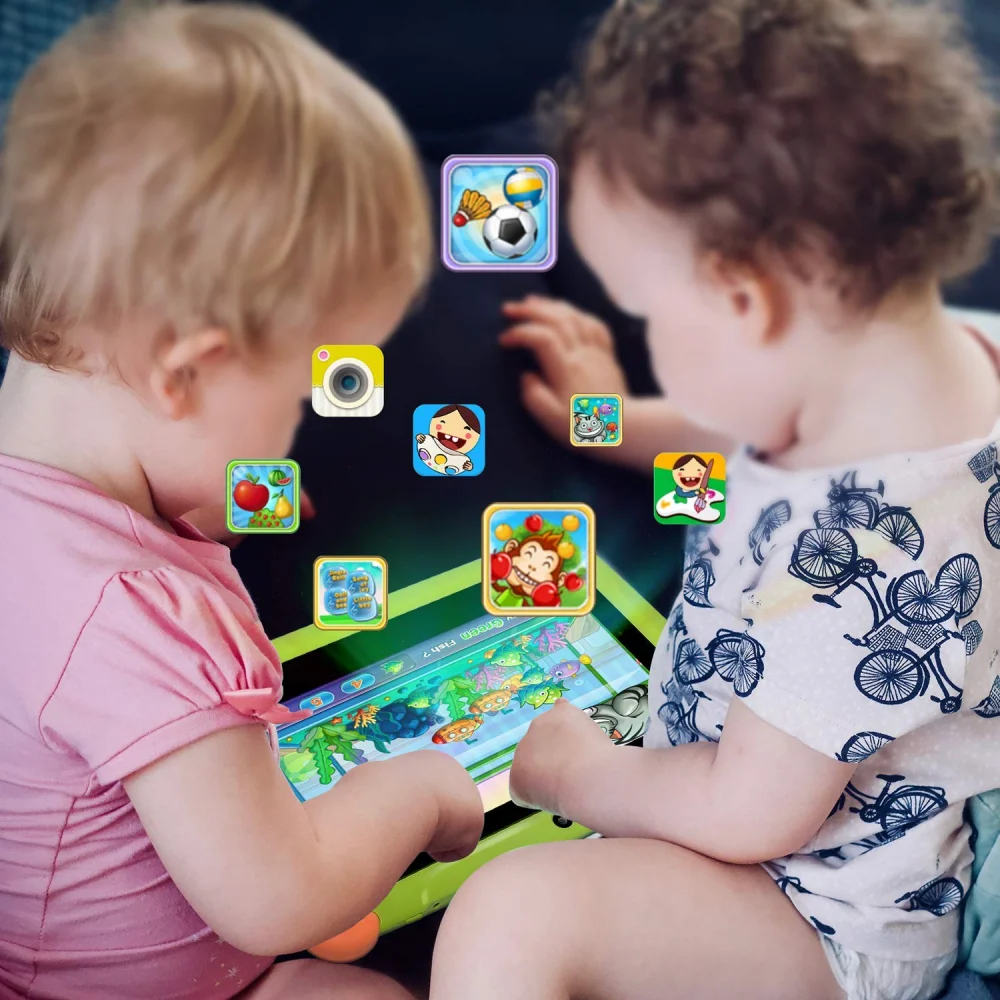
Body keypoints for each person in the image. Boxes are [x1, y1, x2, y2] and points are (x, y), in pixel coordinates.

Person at [429, 2, 1000, 1000]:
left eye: (647, 312)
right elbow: (751, 429)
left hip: (818, 908)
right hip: (767, 834)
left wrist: (574, 772)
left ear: (747, 303)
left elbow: (748, 812)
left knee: (512, 915)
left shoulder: (863, 561)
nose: (646, 335)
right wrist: (606, 421)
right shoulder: (915, 357)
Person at [0, 4, 484, 998]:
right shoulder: (140, 614)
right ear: (183, 372)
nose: (299, 430)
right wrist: (421, 790)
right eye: (301, 396)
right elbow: (279, 899)